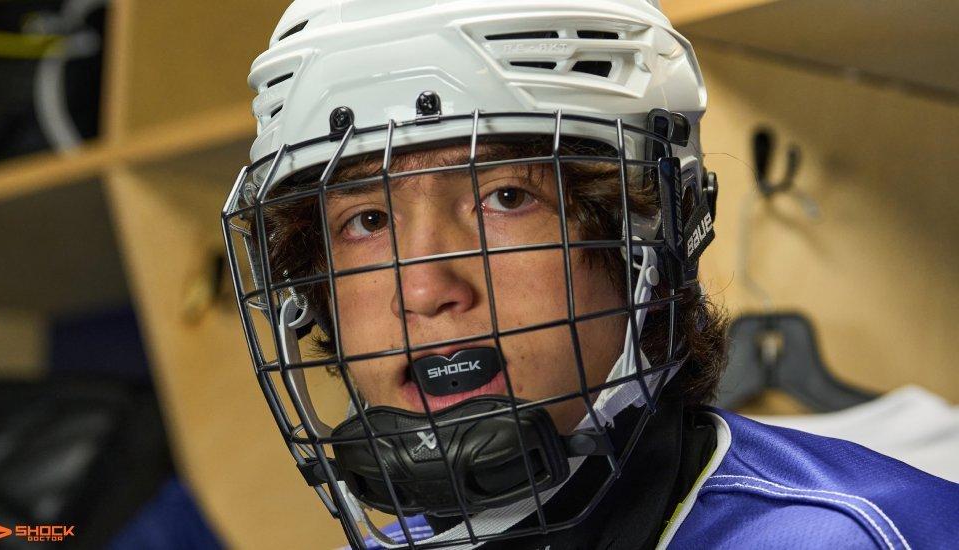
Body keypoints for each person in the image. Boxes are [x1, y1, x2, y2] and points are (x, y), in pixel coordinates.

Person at [221, 1, 959, 548]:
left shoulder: (854, 535)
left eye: (505, 198)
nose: (423, 289)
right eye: (366, 223)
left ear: (650, 239)